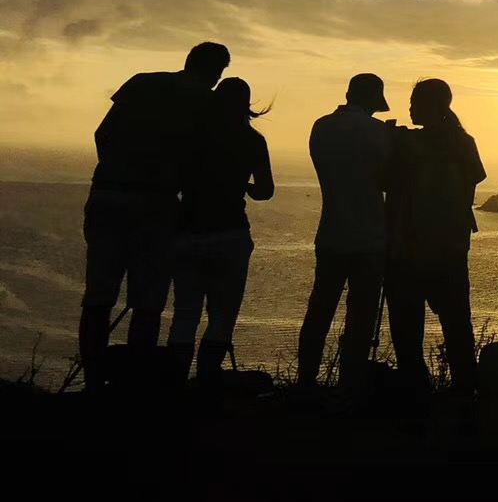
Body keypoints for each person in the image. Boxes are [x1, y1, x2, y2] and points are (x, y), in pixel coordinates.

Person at [78, 41, 230, 392]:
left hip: (108, 192)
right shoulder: (207, 103)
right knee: (148, 301)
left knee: (98, 296)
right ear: (217, 71)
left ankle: (92, 382)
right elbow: (204, 164)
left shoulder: (142, 82)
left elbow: (103, 133)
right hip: (156, 202)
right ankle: (133, 385)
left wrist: (118, 169)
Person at [166, 78, 274, 385]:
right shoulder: (253, 141)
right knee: (222, 317)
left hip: (189, 232)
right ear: (246, 106)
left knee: (185, 314)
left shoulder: (191, 137)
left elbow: (171, 179)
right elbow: (265, 191)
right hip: (231, 234)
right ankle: (208, 380)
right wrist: (244, 186)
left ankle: (174, 385)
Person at [384, 79, 486, 396]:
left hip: (409, 246)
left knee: (406, 328)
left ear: (433, 105)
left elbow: (386, 181)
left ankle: (416, 393)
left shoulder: (407, 144)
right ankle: (464, 393)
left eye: (415, 102)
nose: (410, 108)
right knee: (457, 326)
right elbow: (474, 179)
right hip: (451, 246)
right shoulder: (463, 142)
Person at [296, 73, 394, 397]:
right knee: (361, 316)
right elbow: (388, 182)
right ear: (372, 100)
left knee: (319, 310)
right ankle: (350, 384)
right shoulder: (380, 133)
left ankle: (306, 380)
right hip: (370, 237)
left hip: (331, 233)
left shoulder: (320, 127)